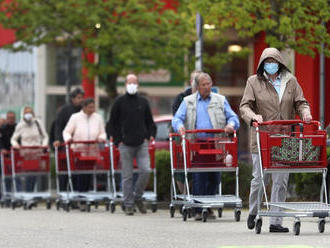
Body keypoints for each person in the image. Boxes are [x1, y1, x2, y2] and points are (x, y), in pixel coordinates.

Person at [240, 47, 312, 233]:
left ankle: (275, 221)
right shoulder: (253, 82)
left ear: (280, 63)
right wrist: (254, 116)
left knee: (281, 181)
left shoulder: (291, 81)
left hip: (284, 138)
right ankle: (254, 211)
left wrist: (305, 112)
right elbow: (244, 106)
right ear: (262, 64)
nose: (270, 65)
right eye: (267, 61)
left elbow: (300, 102)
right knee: (259, 178)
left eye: (274, 61)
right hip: (262, 137)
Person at [172, 72, 240, 221]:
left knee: (215, 177)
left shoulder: (220, 100)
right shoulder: (188, 101)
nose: (207, 87)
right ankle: (198, 209)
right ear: (197, 86)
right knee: (199, 177)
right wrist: (180, 127)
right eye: (204, 84)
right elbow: (177, 118)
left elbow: (233, 117)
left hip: (216, 144)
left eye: (209, 83)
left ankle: (207, 205)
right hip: (197, 145)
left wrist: (231, 125)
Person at [107, 74, 157, 216]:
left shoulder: (143, 102)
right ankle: (128, 204)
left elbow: (150, 121)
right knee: (127, 176)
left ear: (138, 84)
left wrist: (150, 135)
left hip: (141, 143)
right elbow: (112, 123)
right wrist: (118, 140)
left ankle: (138, 196)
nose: (132, 85)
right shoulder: (119, 102)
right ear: (125, 84)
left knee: (146, 170)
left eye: (134, 82)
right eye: (130, 82)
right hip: (125, 144)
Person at [63, 98, 106, 192]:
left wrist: (101, 138)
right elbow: (66, 131)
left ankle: (85, 193)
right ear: (84, 107)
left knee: (89, 173)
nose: (92, 109)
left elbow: (103, 132)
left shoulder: (98, 118)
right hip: (78, 150)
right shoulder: (75, 117)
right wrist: (68, 139)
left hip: (92, 150)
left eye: (93, 107)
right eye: (90, 107)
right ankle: (78, 193)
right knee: (79, 173)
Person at [171, 70, 201, 194]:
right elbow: (176, 118)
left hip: (200, 138)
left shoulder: (205, 98)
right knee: (181, 169)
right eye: (195, 80)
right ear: (191, 82)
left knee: (197, 168)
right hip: (184, 138)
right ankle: (184, 194)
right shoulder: (182, 98)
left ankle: (193, 194)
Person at [53, 87, 84, 191]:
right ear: (73, 99)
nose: (81, 100)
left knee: (78, 172)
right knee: (65, 171)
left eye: (82, 98)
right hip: (66, 145)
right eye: (78, 98)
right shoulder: (64, 110)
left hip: (80, 146)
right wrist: (58, 139)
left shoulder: (83, 110)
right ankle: (63, 191)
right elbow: (58, 126)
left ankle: (77, 192)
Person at [11, 106, 49, 192]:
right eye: (26, 113)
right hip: (26, 154)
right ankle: (29, 193)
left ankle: (32, 193)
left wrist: (44, 145)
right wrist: (16, 145)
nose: (28, 114)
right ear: (23, 114)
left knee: (35, 175)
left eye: (30, 112)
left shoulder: (38, 123)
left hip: (37, 153)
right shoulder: (20, 125)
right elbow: (13, 139)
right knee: (28, 175)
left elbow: (45, 136)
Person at [0, 111, 17, 195]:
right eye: (9, 118)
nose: (11, 120)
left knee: (16, 175)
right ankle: (6, 193)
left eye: (12, 118)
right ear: (7, 119)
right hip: (5, 154)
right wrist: (2, 149)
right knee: (5, 174)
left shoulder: (17, 128)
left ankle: (17, 193)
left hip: (16, 154)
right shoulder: (2, 128)